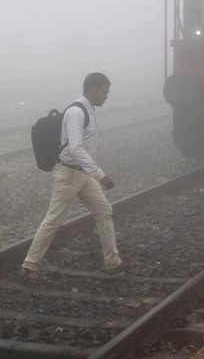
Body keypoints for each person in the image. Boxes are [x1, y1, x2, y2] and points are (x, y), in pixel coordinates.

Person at [22, 72, 126, 276]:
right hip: (68, 174)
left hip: (82, 174)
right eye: (104, 92)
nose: (106, 96)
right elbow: (76, 149)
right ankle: (30, 264)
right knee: (53, 221)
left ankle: (113, 262)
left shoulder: (89, 110)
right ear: (93, 89)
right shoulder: (77, 112)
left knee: (104, 210)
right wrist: (100, 175)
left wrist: (92, 172)